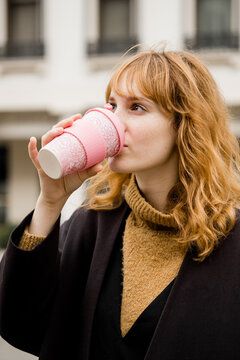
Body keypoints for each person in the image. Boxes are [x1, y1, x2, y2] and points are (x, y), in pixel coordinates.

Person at [1, 47, 240, 360]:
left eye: (137, 107)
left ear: (185, 125)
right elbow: (21, 324)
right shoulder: (92, 225)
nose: (114, 121)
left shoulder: (232, 241)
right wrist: (50, 201)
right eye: (112, 105)